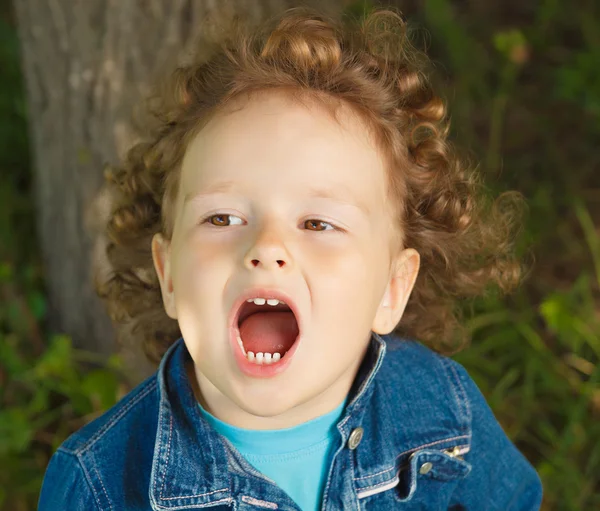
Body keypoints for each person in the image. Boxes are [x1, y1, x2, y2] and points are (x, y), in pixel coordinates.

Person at [38, 6, 543, 510]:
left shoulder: (440, 411)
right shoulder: (99, 483)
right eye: (222, 219)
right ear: (168, 275)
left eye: (318, 224)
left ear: (392, 288)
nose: (267, 248)